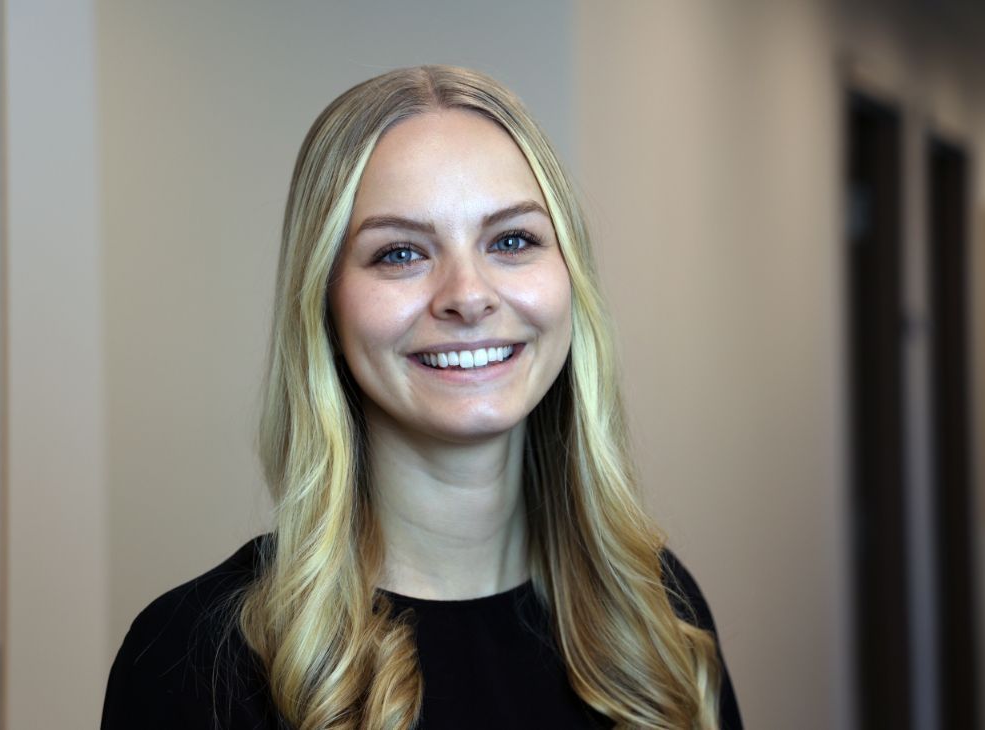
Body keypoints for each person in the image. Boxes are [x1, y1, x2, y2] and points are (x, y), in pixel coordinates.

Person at [101, 65, 741, 730]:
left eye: (513, 240)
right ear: (325, 306)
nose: (468, 295)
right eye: (401, 253)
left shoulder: (653, 613)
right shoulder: (189, 662)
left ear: (570, 279)